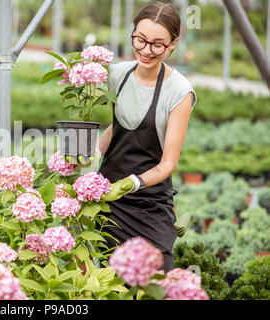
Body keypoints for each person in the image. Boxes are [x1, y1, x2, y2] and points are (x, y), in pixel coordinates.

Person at [95, 1, 197, 272]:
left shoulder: (179, 92)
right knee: (113, 279)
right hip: (109, 200)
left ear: (173, 44)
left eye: (157, 44)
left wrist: (132, 183)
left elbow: (168, 164)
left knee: (158, 272)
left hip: (150, 202)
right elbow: (119, 125)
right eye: (139, 40)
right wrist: (91, 157)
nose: (146, 50)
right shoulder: (118, 75)